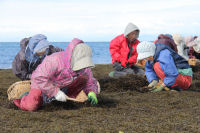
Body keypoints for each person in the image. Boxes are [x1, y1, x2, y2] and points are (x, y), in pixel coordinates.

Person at [13, 38, 99, 111]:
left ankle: (68, 98)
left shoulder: (84, 67)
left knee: (83, 78)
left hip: (64, 86)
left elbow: (90, 81)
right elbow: (38, 77)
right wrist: (55, 92)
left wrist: (91, 92)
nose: (82, 66)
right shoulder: (54, 60)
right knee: (32, 105)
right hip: (42, 85)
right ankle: (24, 98)